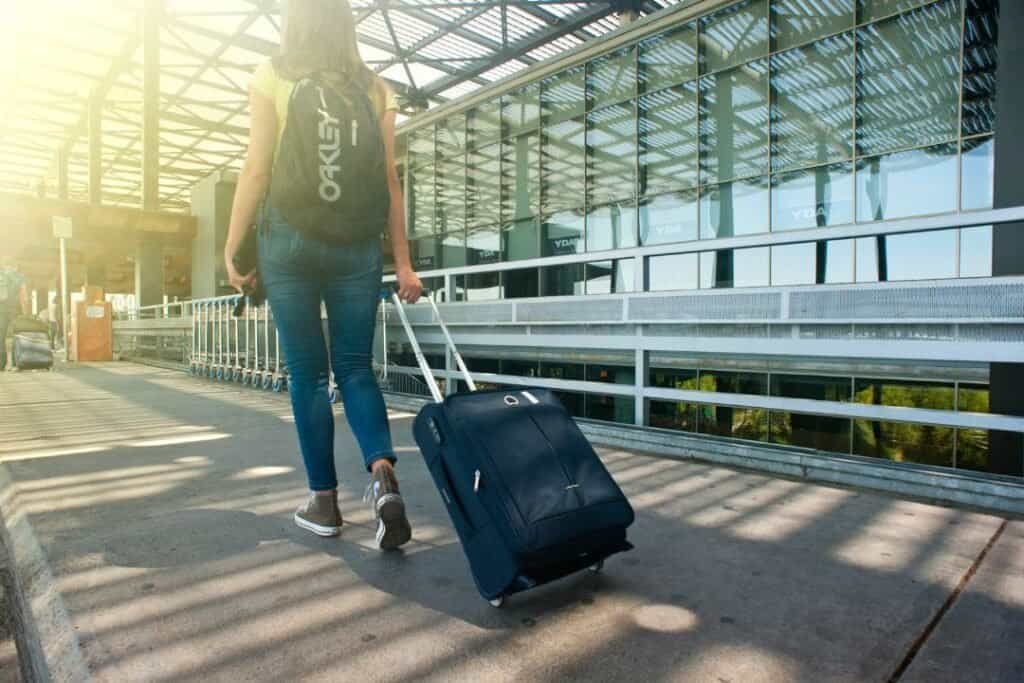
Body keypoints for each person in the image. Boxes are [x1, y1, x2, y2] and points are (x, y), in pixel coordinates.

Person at [224, 0, 423, 549]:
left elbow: (257, 166)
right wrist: (402, 262)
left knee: (307, 374)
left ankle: (324, 503)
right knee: (357, 369)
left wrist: (233, 243)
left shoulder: (274, 73)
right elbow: (388, 179)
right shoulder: (376, 88)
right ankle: (383, 478)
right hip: (357, 248)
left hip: (288, 242)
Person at [0, 258, 29, 371]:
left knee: (0, 337)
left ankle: (1, 364)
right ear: (16, 266)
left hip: (1, 310)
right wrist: (25, 312)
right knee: (16, 336)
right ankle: (15, 363)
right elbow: (24, 295)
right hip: (15, 310)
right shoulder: (20, 277)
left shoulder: (1, 275)